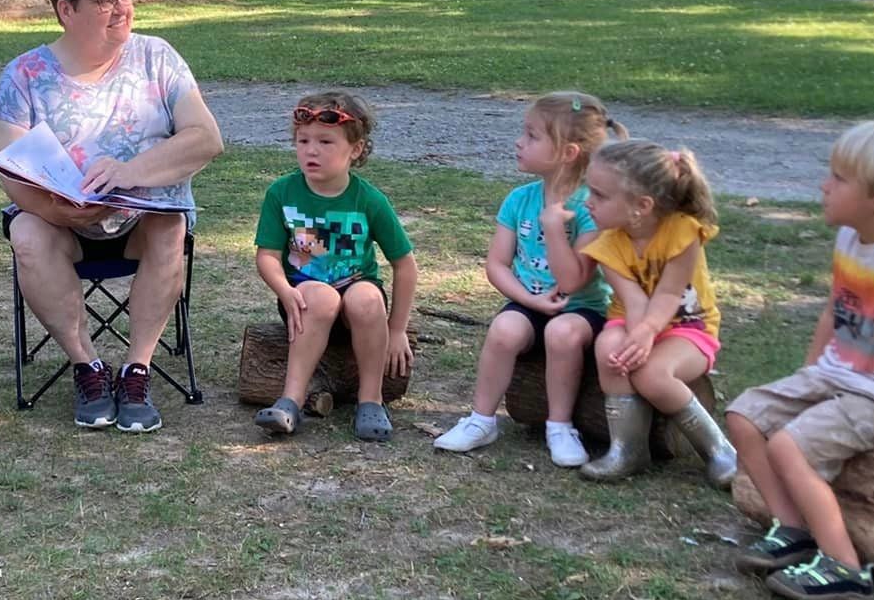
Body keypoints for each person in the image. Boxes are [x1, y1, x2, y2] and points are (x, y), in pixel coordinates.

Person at [727, 118, 874, 600]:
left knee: (792, 447)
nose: (824, 185)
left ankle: (846, 569)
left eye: (838, 178)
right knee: (744, 415)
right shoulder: (853, 237)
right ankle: (792, 527)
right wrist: (811, 369)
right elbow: (837, 306)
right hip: (841, 372)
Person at [0, 0, 223, 432]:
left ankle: (137, 369)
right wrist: (61, 213)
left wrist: (128, 171)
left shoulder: (157, 58)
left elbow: (206, 139)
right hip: (66, 226)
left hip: (141, 220)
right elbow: (12, 170)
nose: (122, 8)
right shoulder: (24, 76)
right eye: (104, 0)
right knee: (27, 233)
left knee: (170, 222)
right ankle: (88, 367)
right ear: (65, 10)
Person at [435, 92, 618, 465]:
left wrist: (553, 229)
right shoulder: (519, 200)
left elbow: (573, 282)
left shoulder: (589, 207)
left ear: (568, 152)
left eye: (532, 136)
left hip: (582, 310)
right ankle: (481, 419)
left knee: (561, 333)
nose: (520, 142)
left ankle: (560, 426)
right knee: (504, 330)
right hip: (529, 302)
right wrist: (529, 300)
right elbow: (497, 264)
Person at [570, 140, 740, 485]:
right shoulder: (607, 242)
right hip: (632, 319)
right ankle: (627, 450)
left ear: (641, 206)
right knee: (609, 350)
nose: (588, 202)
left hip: (689, 326)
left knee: (651, 374)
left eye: (600, 195)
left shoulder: (683, 232)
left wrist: (646, 335)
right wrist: (636, 337)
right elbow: (632, 301)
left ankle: (720, 451)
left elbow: (668, 293)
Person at [250, 92, 417, 442]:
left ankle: (371, 400)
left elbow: (404, 264)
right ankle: (291, 400)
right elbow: (267, 254)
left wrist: (398, 328)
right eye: (303, 141)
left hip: (358, 297)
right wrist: (284, 290)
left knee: (367, 299)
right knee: (321, 297)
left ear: (355, 150)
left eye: (326, 142)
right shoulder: (282, 193)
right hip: (305, 300)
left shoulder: (368, 199)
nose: (312, 150)